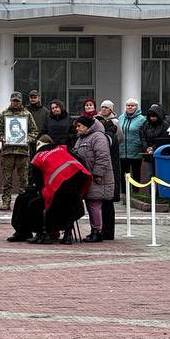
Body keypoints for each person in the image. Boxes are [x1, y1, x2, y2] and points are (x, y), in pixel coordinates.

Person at [30, 136, 92, 244]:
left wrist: (43, 193)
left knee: (40, 204)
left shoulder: (37, 158)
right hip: (76, 180)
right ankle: (68, 235)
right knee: (70, 204)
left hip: (59, 185)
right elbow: (80, 160)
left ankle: (45, 233)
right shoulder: (62, 148)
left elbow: (39, 182)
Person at [72, 114, 114, 243]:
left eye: (79, 126)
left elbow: (102, 157)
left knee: (95, 205)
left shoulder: (98, 137)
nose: (77, 128)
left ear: (87, 126)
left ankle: (97, 232)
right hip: (88, 178)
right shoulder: (81, 138)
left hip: (98, 178)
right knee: (91, 205)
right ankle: (94, 230)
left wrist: (97, 174)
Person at [0, 92, 37, 212]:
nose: (15, 103)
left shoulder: (27, 114)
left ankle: (23, 203)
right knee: (7, 179)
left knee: (24, 180)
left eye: (17, 101)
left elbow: (34, 131)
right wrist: (2, 138)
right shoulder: (4, 114)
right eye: (14, 101)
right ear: (11, 101)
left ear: (21, 101)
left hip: (23, 152)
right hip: (8, 152)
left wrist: (28, 139)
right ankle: (6, 201)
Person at [96, 101, 122, 240]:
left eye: (106, 107)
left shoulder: (113, 127)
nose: (104, 109)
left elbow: (119, 138)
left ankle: (107, 232)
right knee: (104, 202)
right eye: (102, 107)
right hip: (106, 168)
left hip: (110, 167)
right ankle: (104, 231)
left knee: (107, 202)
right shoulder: (100, 125)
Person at [118, 98, 146, 184]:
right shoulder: (121, 118)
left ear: (136, 107)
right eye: (128, 105)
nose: (130, 107)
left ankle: (135, 190)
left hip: (136, 151)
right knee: (123, 173)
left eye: (132, 105)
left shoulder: (142, 119)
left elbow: (144, 134)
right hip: (123, 151)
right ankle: (124, 190)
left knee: (136, 173)